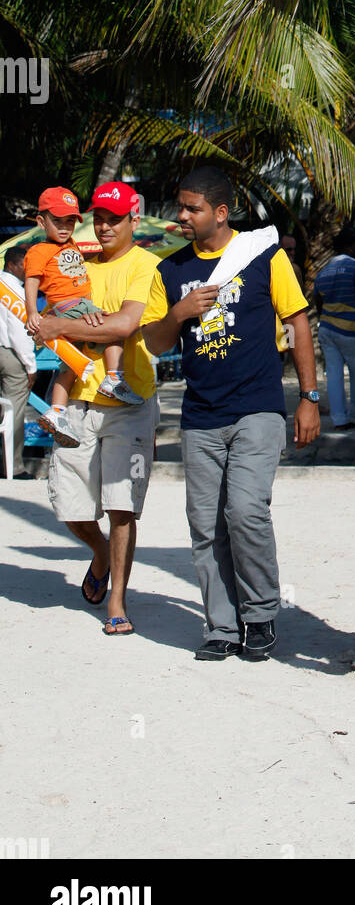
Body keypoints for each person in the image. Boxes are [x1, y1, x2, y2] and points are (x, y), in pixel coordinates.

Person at [141, 167, 320, 662]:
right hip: (200, 415)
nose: (181, 215)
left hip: (257, 408)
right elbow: (154, 342)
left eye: (191, 208)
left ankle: (259, 616)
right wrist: (179, 314)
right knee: (205, 525)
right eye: (181, 206)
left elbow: (297, 322)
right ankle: (221, 625)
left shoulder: (264, 257)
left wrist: (309, 397)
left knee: (245, 511)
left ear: (220, 213)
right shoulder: (170, 271)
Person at [32, 182, 161, 634]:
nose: (104, 226)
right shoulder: (76, 261)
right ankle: (101, 552)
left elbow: (124, 325)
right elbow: (50, 307)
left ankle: (118, 602)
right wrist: (43, 322)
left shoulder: (146, 265)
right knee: (70, 508)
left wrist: (59, 324)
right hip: (78, 401)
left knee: (121, 507)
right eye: (99, 217)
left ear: (134, 220)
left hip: (129, 400)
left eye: (115, 218)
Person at [24, 186, 142, 447]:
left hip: (78, 304)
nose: (65, 227)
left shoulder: (71, 245)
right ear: (42, 222)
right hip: (70, 305)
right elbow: (31, 281)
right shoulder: (38, 251)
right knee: (111, 330)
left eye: (70, 221)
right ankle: (114, 378)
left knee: (70, 367)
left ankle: (56, 411)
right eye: (57, 221)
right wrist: (32, 311)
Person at [313, 225, 355, 429]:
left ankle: (339, 419)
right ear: (352, 246)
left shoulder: (324, 272)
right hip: (352, 330)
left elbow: (318, 302)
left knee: (334, 375)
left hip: (327, 329)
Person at [0, 245, 37, 478]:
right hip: (10, 354)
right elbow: (19, 332)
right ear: (12, 264)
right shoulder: (15, 291)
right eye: (26, 265)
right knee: (13, 411)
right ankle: (12, 467)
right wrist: (31, 367)